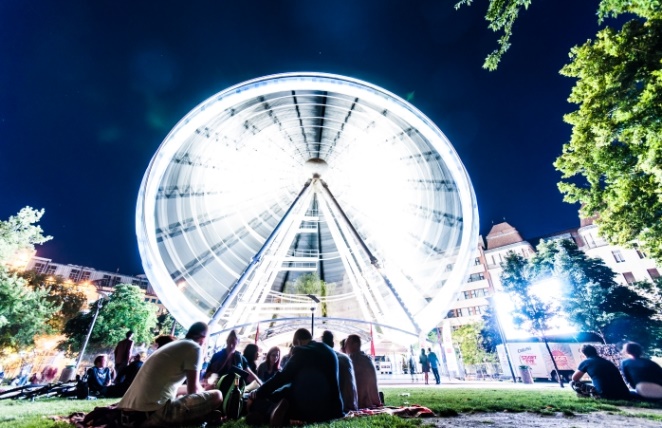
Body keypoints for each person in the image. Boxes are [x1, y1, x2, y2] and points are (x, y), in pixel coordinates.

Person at [117, 322, 223, 427]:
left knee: (183, 392)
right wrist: (205, 391)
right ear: (203, 338)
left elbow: (180, 388)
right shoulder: (194, 347)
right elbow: (193, 391)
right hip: (151, 414)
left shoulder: (173, 345)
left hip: (127, 414)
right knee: (217, 395)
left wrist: (200, 388)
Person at [246, 328, 343, 425]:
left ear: (298, 342)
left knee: (257, 403)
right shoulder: (331, 352)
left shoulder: (302, 351)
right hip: (330, 411)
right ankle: (272, 416)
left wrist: (259, 393)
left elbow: (282, 377)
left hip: (305, 409)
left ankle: (272, 412)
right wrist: (339, 413)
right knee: (287, 388)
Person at [322, 331, 358, 412]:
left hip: (333, 408)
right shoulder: (345, 358)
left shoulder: (321, 359)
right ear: (333, 344)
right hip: (351, 404)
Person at [345, 334, 381, 408]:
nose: (345, 347)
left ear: (355, 344)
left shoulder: (353, 359)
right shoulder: (367, 359)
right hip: (373, 401)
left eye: (347, 344)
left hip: (362, 403)